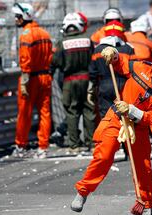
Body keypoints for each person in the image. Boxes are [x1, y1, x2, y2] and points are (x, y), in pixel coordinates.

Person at [71, 50, 152, 215]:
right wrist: (114, 54)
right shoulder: (140, 67)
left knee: (143, 167)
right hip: (117, 117)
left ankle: (146, 206)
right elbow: (120, 63)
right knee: (104, 155)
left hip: (138, 127)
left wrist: (133, 111)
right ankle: (83, 192)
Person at [11, 3, 53, 159]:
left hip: (31, 78)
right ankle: (43, 147)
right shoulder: (45, 33)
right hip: (45, 76)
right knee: (45, 112)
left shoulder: (26, 35)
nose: (16, 19)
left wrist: (24, 80)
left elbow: (25, 59)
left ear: (25, 17)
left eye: (18, 16)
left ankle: (21, 145)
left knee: (24, 112)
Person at [51, 12, 96, 153]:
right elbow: (93, 60)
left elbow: (55, 62)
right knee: (89, 111)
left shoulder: (62, 43)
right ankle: (92, 142)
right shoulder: (88, 40)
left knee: (72, 112)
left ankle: (74, 145)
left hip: (70, 81)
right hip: (87, 80)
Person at [90, 20, 134, 118]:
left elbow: (93, 71)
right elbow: (133, 69)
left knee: (106, 117)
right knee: (124, 116)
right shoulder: (128, 48)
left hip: (104, 85)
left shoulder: (98, 49)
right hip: (124, 86)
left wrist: (92, 88)